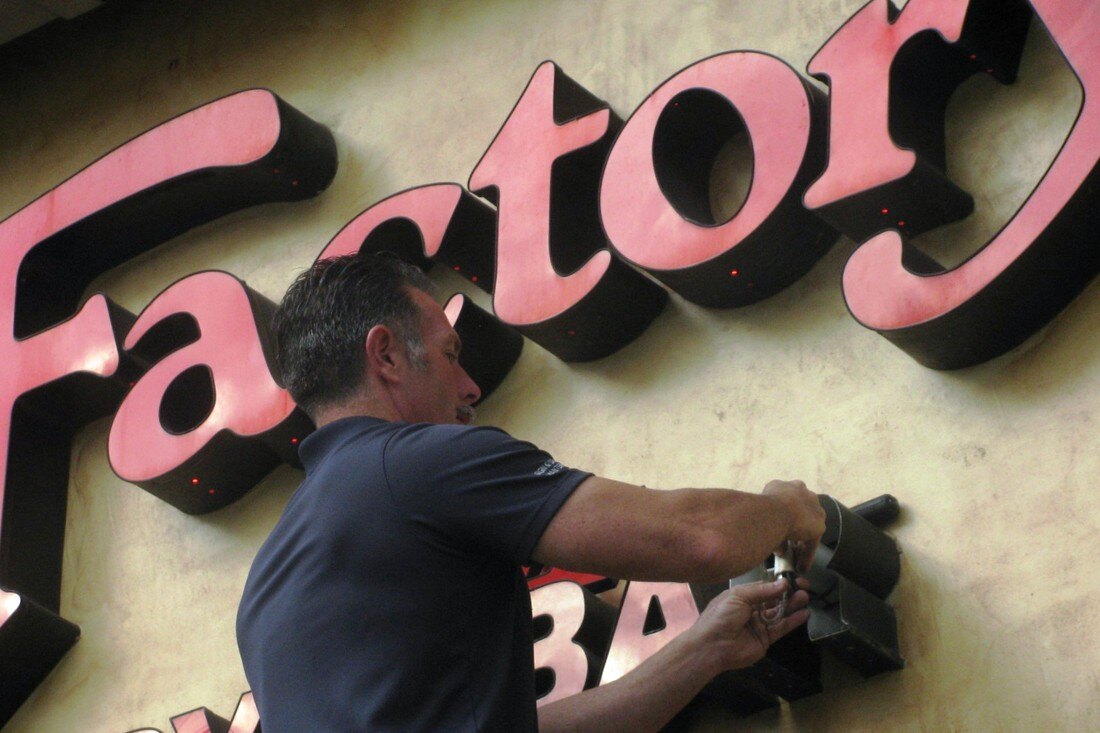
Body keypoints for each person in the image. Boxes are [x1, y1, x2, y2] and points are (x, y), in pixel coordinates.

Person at [236, 253, 826, 733]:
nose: (469, 388)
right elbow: (697, 539)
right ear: (386, 354)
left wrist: (704, 649)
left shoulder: (265, 587)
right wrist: (786, 508)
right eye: (450, 355)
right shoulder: (417, 466)